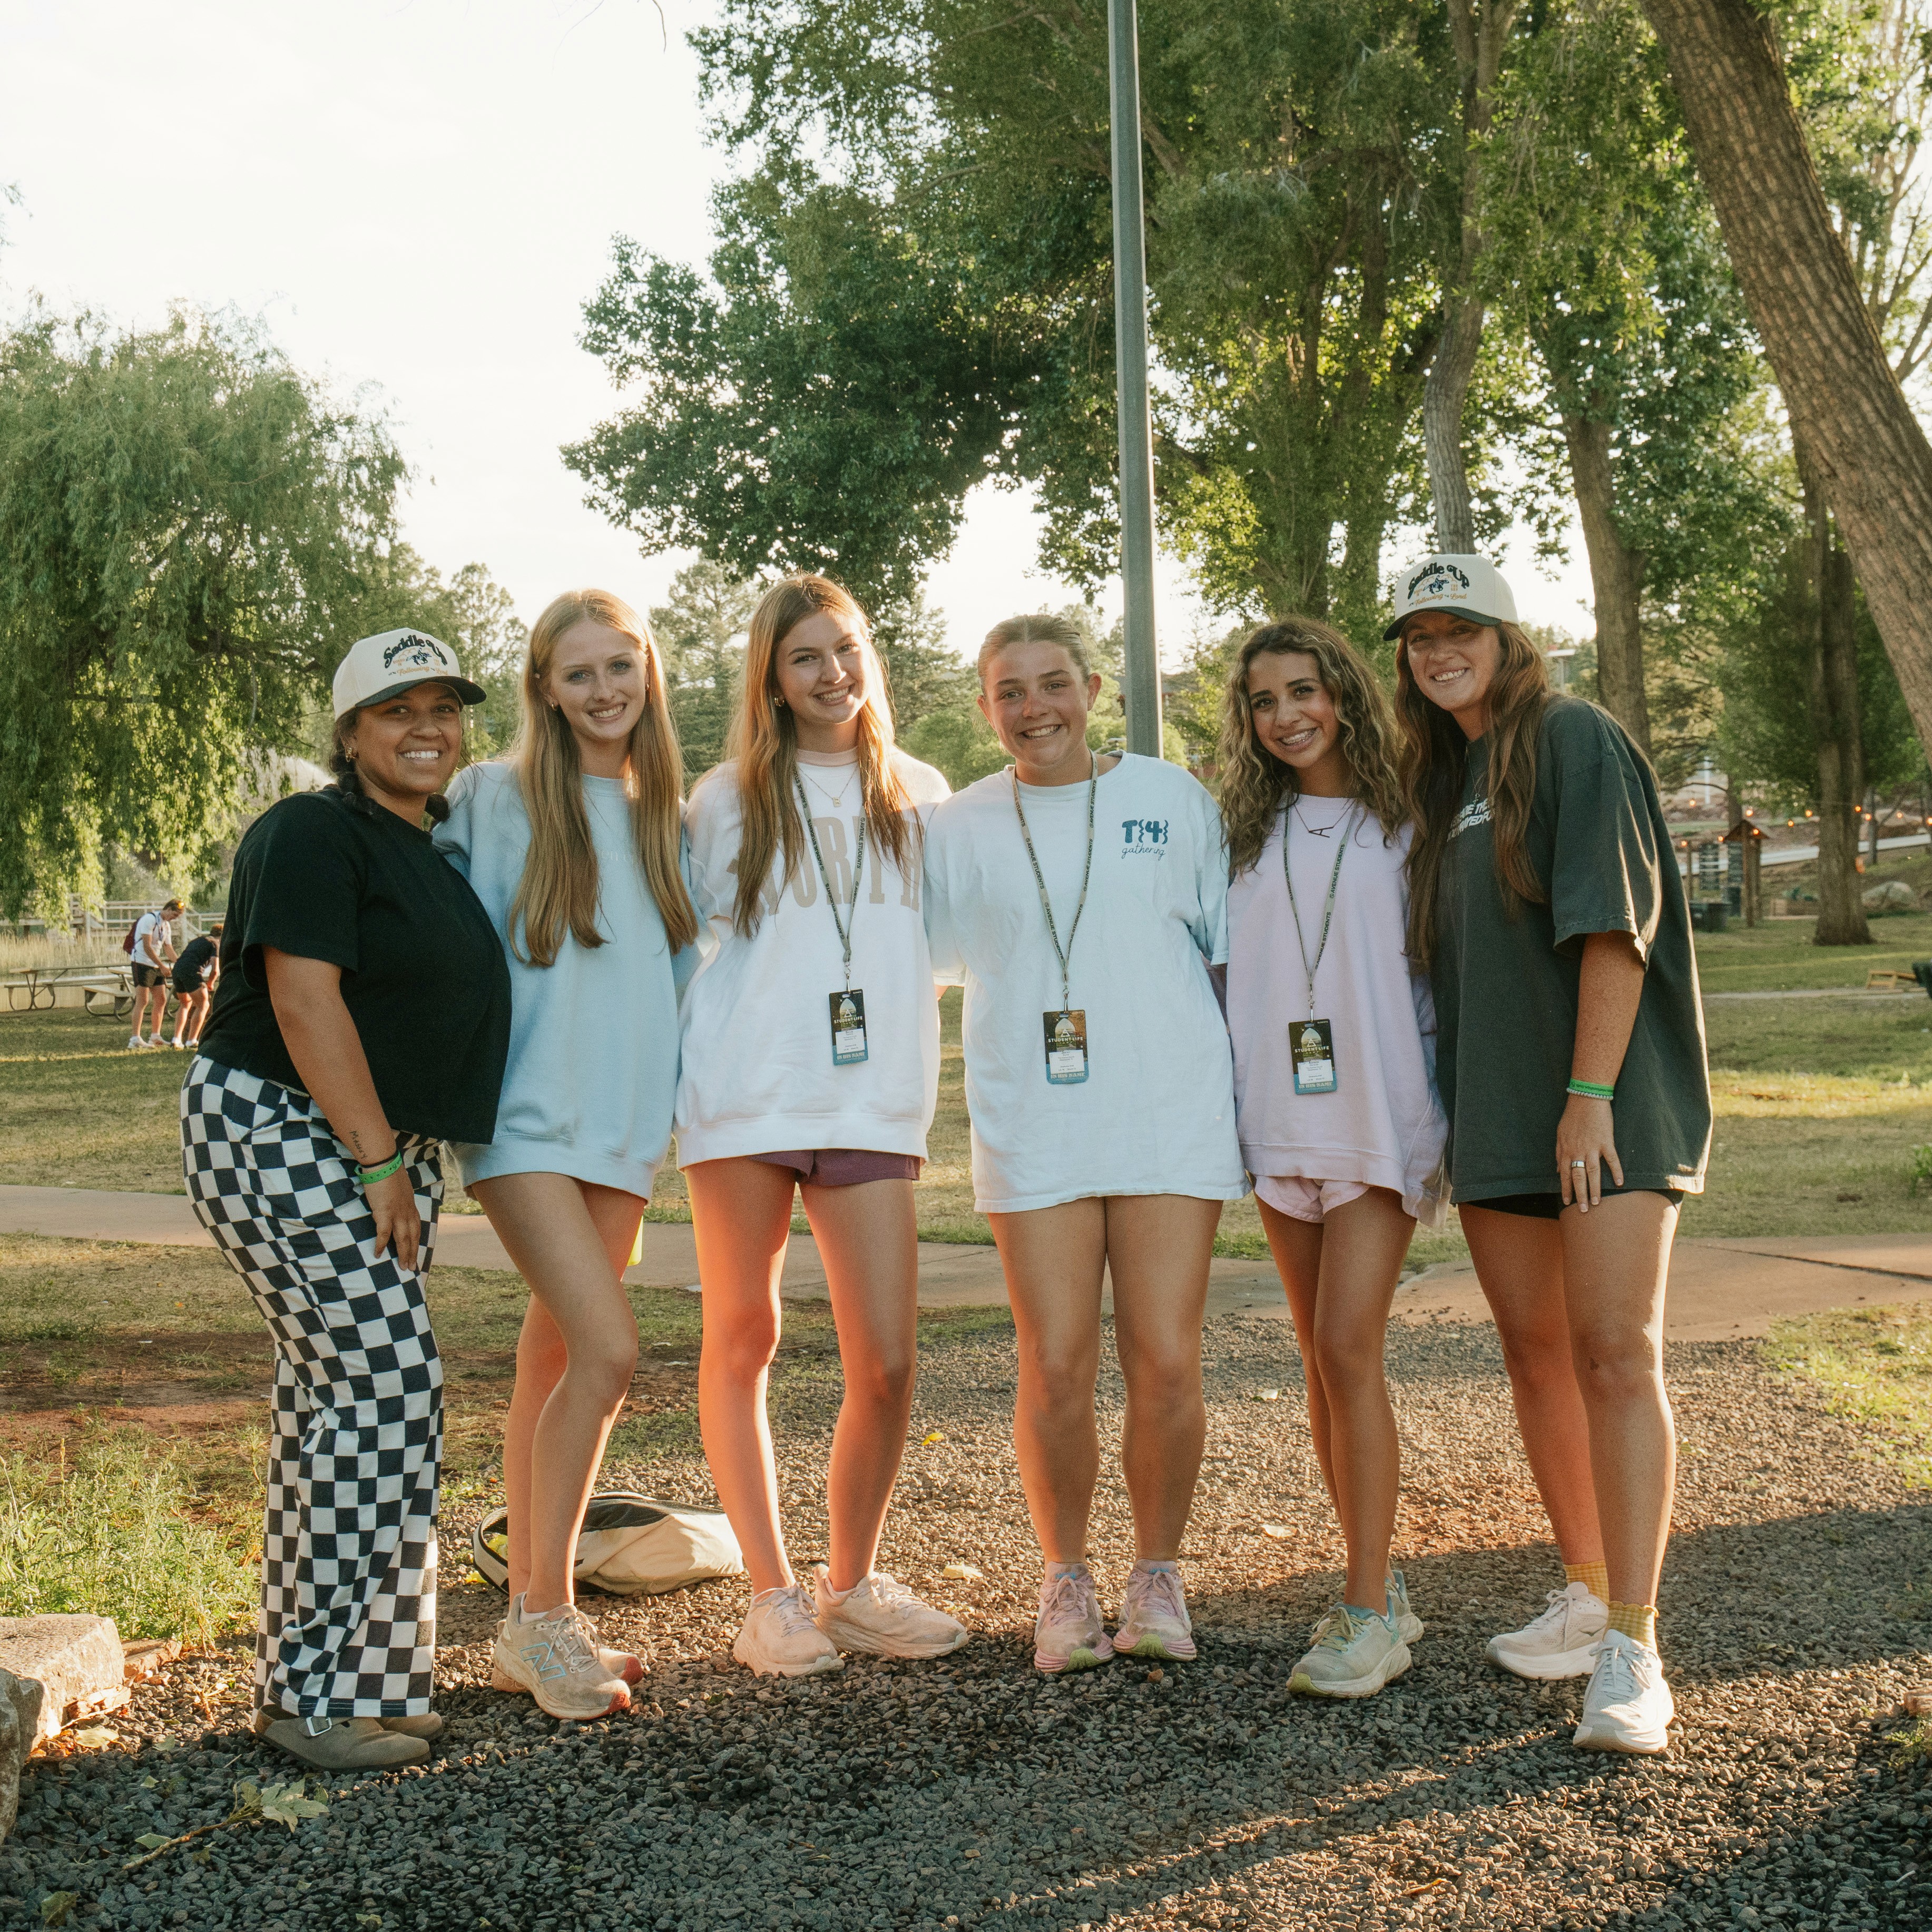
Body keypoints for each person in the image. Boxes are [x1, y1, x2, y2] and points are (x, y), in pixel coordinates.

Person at [1392, 554, 1710, 1756]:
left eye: (1456, 626)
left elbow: (1611, 931)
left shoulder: (1568, 735)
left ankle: (1633, 1645)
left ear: (1504, 633)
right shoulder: (1446, 776)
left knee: (1612, 1350)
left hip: (1604, 1104)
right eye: (1417, 635)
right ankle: (1583, 1590)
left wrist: (1585, 1098)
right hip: (1494, 1112)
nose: (1435, 649)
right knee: (1532, 1352)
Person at [180, 627, 511, 1771]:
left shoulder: (425, 846)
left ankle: (367, 1684)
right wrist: (378, 1159)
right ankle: (309, 1692)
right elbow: (304, 996)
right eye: (395, 709)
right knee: (388, 1382)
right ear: (349, 732)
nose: (427, 726)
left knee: (345, 1399)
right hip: (277, 1123)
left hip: (370, 1146)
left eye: (444, 706)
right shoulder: (311, 830)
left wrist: (397, 1158)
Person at [924, 614, 1244, 1674]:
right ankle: (1065, 1577)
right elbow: (910, 962)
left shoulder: (1168, 798)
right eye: (1009, 692)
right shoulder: (960, 826)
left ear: (1094, 688)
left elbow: (1229, 957)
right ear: (986, 708)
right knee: (1054, 1364)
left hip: (1167, 1113)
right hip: (1036, 1121)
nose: (1034, 709)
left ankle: (1157, 1574)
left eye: (1052, 684)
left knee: (1164, 1357)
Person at [678, 574, 968, 1678]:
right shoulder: (726, 799)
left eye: (844, 650)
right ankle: (772, 1595)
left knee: (886, 1359)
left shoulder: (923, 795)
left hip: (869, 1100)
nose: (831, 673)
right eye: (805, 657)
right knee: (743, 1337)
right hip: (746, 1093)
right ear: (772, 677)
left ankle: (851, 1584)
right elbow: (689, 943)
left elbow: (944, 958)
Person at [435, 589, 699, 1720]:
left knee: (550, 1365)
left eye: (620, 667)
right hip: (522, 1121)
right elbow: (423, 933)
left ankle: (519, 1621)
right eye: (579, 672)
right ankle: (546, 1615)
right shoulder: (492, 800)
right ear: (545, 685)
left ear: (649, 674)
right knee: (608, 1351)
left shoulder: (666, 816)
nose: (604, 690)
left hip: (625, 1129)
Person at [1218, 616, 1447, 1699]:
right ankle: (1376, 1583)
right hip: (1279, 1124)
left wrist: (1435, 1124)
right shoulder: (1243, 838)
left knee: (1351, 1348)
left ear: (1344, 692)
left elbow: (1437, 986)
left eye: (1303, 691)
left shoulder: (1410, 826)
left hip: (1378, 1121)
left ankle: (1368, 1610)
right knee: (1319, 1357)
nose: (1286, 716)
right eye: (1264, 701)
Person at [128, 898, 182, 1048]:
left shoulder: (166, 926)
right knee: (143, 1001)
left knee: (161, 999)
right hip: (142, 962)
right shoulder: (149, 920)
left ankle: (155, 1036)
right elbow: (147, 947)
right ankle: (135, 1039)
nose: (174, 919)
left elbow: (168, 949)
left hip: (155, 964)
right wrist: (162, 966)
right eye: (175, 915)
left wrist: (180, 963)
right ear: (169, 909)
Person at [168, 922, 222, 1050]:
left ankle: (176, 1040)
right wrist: (210, 984)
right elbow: (216, 970)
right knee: (204, 1005)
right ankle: (192, 1041)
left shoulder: (197, 940)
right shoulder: (215, 943)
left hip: (177, 969)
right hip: (192, 970)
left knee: (185, 1004)